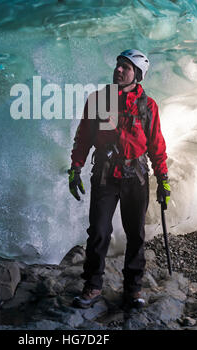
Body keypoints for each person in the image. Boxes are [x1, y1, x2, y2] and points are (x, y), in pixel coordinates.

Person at [68, 49, 171, 310]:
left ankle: (133, 290)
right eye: (118, 65)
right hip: (104, 175)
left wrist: (163, 179)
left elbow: (156, 144)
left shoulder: (148, 106)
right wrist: (75, 168)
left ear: (137, 74)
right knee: (99, 232)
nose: (119, 70)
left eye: (125, 67)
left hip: (135, 176)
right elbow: (83, 138)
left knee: (135, 235)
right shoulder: (99, 101)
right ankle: (92, 286)